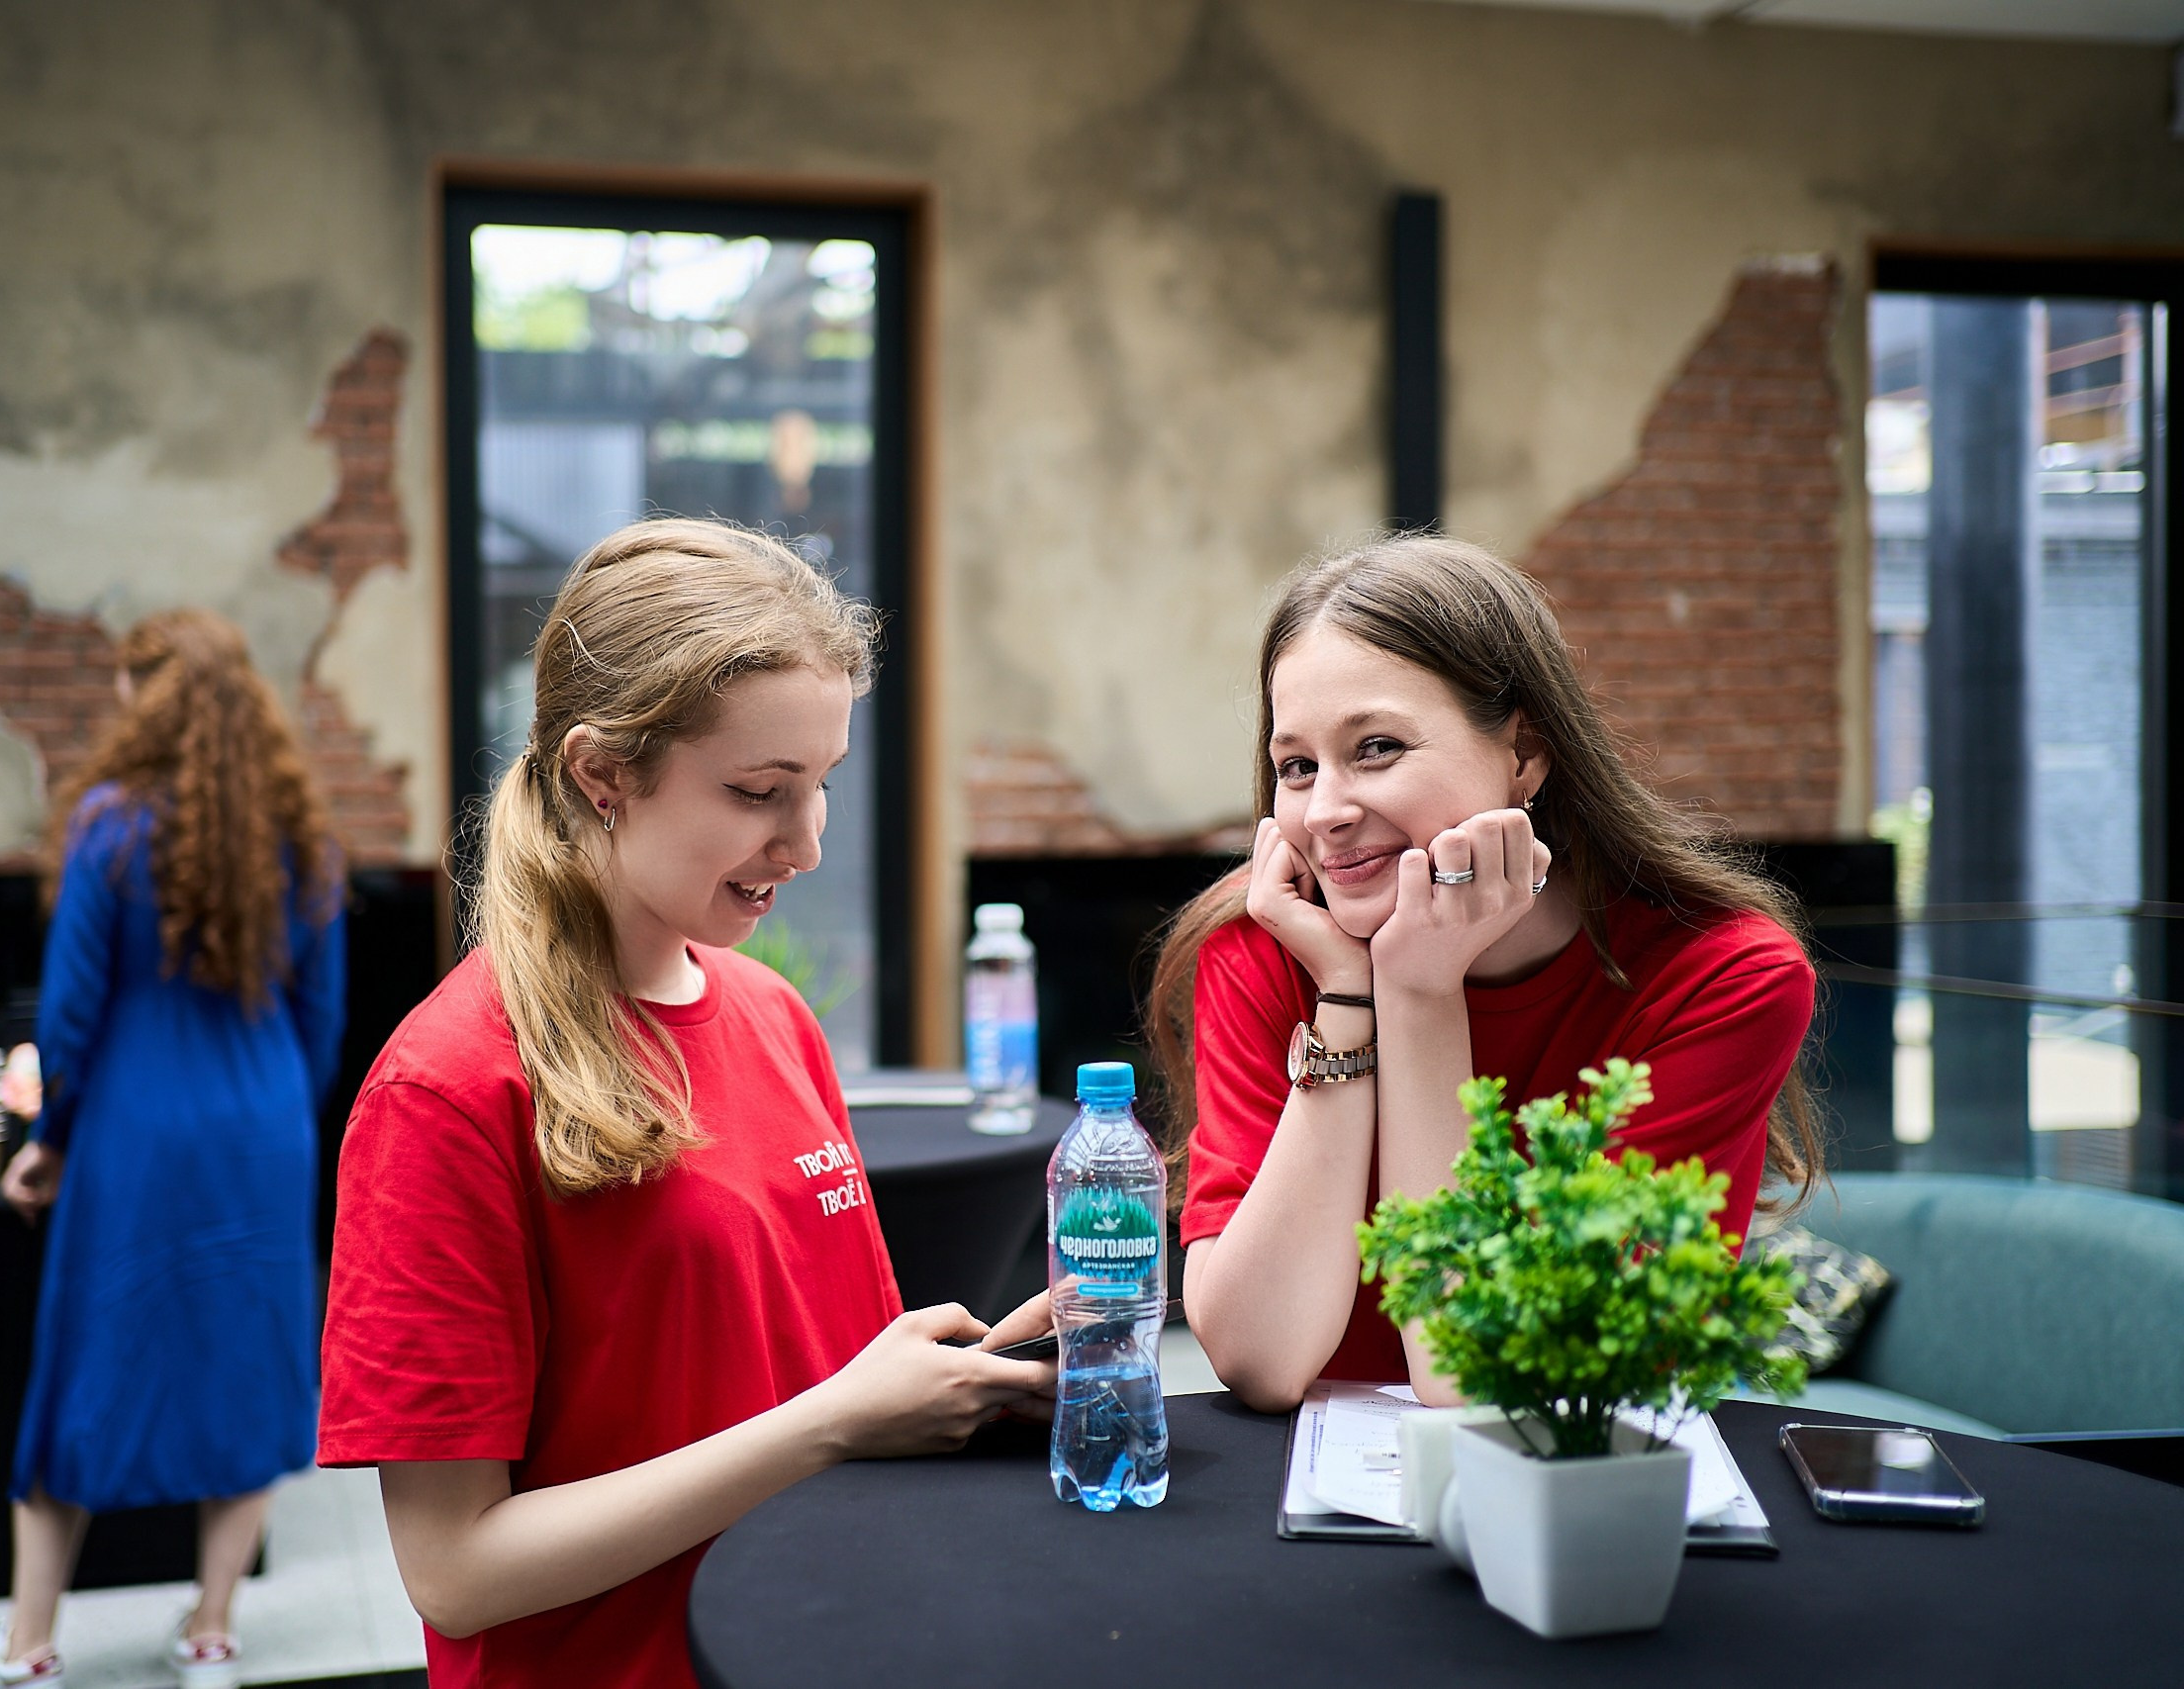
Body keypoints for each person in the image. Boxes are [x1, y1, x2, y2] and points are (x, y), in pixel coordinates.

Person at [318, 518, 1054, 1689]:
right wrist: (835, 1423)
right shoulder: (446, 1091)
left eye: (819, 787)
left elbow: (809, 1380)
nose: (804, 844)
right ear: (600, 774)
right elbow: (455, 1572)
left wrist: (962, 1382)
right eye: (761, 791)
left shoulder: (772, 1015)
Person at [1147, 532, 1820, 1413]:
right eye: (1297, 766)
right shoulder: (1269, 943)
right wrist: (1351, 997)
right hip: (1299, 1510)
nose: (1327, 812)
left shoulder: (1723, 978)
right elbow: (1260, 1357)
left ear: (1525, 755)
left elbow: (1494, 1385)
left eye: (1378, 746)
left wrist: (1422, 993)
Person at [0, 609, 348, 1689]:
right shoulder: (299, 831)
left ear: (145, 697)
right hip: (263, 1133)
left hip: (134, 1132)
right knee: (251, 1368)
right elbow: (320, 1016)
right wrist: (278, 1124)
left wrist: (49, 1141)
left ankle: (28, 1649)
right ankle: (211, 1633)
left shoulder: (110, 826)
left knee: (81, 1367)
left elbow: (70, 1014)